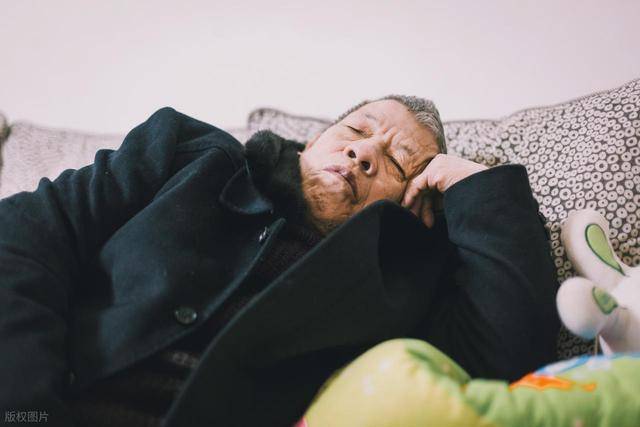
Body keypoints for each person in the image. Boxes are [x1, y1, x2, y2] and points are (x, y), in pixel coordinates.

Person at [0, 96, 560, 427]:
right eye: (356, 131)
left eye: (396, 162)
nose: (364, 152)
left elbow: (506, 353)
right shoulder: (189, 157)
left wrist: (474, 186)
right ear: (312, 141)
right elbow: (24, 240)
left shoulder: (402, 287)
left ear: (413, 205)